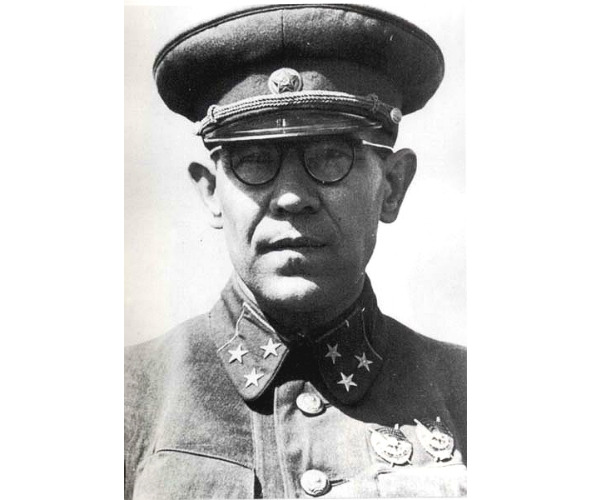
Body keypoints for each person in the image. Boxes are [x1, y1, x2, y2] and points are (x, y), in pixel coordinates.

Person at [125, 4, 466, 498]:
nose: (290, 197)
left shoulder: (470, 394)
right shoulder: (128, 397)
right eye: (254, 160)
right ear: (211, 192)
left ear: (392, 187)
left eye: (330, 156)